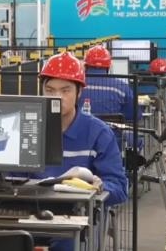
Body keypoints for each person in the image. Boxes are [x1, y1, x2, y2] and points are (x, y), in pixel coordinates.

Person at [32, 52, 129, 251]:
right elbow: (10, 178)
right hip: (32, 213)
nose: (56, 97)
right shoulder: (29, 126)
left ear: (79, 92)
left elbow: (120, 187)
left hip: (77, 217)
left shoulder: (99, 133)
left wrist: (101, 187)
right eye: (49, 90)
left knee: (68, 242)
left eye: (65, 90)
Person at [80, 45, 135, 122]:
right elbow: (134, 115)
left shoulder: (77, 86)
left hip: (81, 129)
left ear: (85, 66)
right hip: (112, 129)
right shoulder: (122, 87)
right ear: (108, 67)